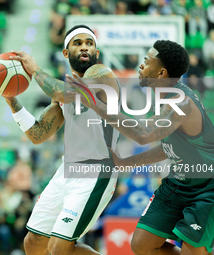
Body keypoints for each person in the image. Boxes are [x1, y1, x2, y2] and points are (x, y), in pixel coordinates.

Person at [67, 40, 214, 254]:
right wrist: (129, 162)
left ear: (162, 72)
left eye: (146, 61)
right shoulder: (162, 98)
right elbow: (170, 148)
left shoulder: (181, 103)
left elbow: (144, 134)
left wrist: (93, 102)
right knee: (142, 245)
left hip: (206, 188)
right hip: (178, 183)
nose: (141, 66)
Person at [4, 25, 120, 255]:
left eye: (90, 43)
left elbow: (62, 93)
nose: (85, 47)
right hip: (67, 171)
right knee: (34, 243)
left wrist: (35, 70)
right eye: (78, 43)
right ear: (66, 53)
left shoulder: (102, 75)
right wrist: (11, 101)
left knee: (60, 247)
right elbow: (38, 135)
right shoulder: (63, 90)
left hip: (96, 171)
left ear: (96, 53)